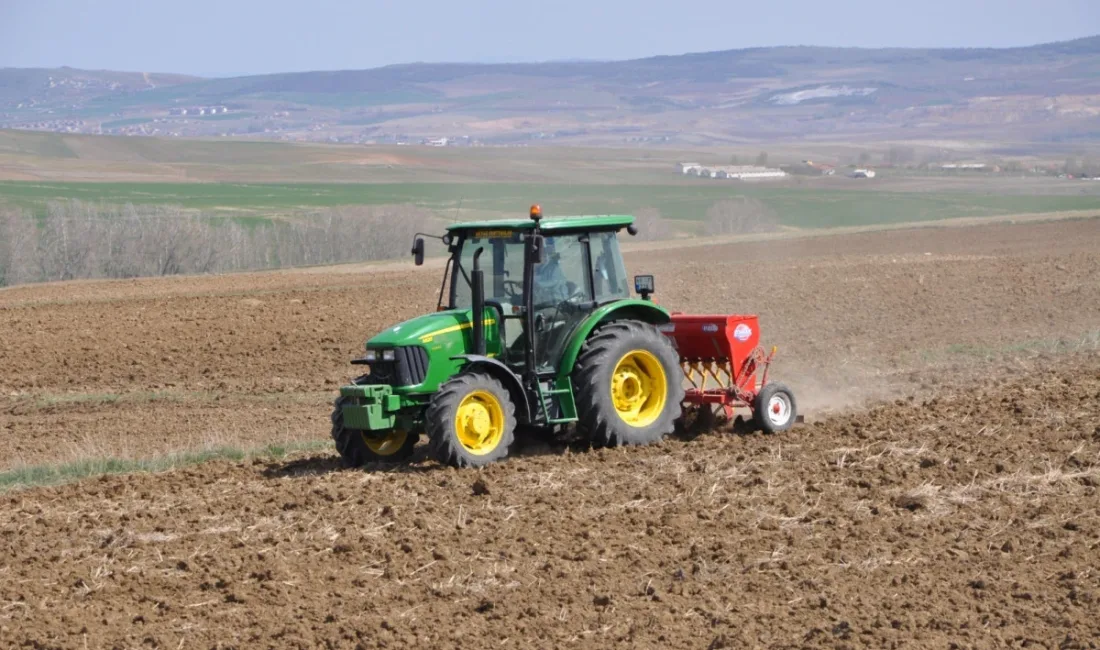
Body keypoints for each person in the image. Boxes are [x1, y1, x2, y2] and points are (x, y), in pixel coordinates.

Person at [533, 237, 570, 308]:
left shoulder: (555, 268)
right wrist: (529, 281)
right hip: (546, 300)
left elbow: (552, 282)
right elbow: (541, 278)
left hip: (558, 302)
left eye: (543, 255)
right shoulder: (543, 268)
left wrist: (536, 283)